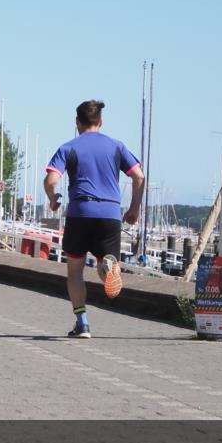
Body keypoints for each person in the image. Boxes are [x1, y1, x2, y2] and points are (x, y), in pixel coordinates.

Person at [44, 100, 144, 339]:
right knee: (104, 262)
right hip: (109, 214)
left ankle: (83, 322)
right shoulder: (116, 146)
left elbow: (51, 181)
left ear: (77, 123)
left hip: (80, 212)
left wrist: (53, 199)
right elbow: (139, 176)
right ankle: (107, 265)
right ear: (101, 122)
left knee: (75, 270)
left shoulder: (69, 147)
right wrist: (133, 209)